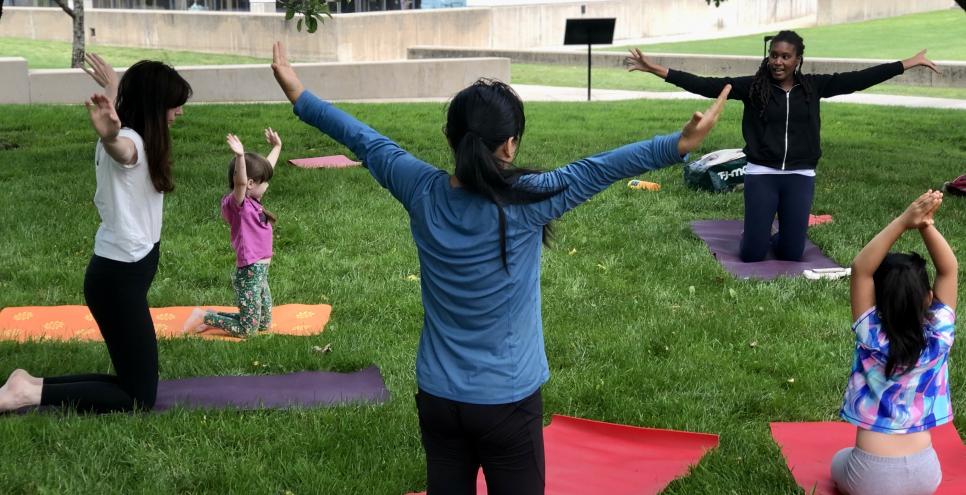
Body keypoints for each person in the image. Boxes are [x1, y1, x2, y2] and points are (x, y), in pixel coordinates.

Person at [269, 41, 729, 494]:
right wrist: (678, 144)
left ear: (451, 139)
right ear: (509, 146)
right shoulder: (527, 198)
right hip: (506, 402)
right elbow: (595, 169)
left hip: (438, 399)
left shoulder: (420, 189)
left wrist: (299, 94)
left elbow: (363, 140)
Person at [626, 31, 941, 262]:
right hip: (762, 172)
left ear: (797, 59)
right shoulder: (752, 87)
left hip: (800, 175)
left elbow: (861, 78)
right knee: (751, 254)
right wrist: (655, 69)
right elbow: (703, 83)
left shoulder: (813, 88)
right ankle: (757, 233)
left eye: (785, 56)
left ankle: (775, 232)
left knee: (792, 253)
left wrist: (909, 62)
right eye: (774, 55)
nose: (778, 61)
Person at [0, 56, 192, 413]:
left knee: (134, 384)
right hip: (119, 280)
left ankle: (28, 385)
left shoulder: (139, 134)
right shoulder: (130, 142)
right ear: (154, 105)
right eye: (173, 103)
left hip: (120, 276)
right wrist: (109, 137)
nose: (178, 112)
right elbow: (122, 149)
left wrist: (113, 87)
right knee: (138, 398)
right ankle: (25, 395)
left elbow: (123, 129)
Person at [833, 190, 956, 495]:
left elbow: (862, 268)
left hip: (869, 476)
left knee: (838, 461)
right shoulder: (939, 334)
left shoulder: (871, 332)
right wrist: (926, 224)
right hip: (926, 473)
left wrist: (904, 221)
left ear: (877, 301)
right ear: (929, 298)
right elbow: (949, 269)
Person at [182, 129, 282, 337]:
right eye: (265, 182)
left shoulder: (254, 200)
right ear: (251, 184)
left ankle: (211, 317)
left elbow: (266, 169)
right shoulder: (240, 204)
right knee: (248, 331)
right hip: (249, 274)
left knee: (262, 325)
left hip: (261, 274)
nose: (268, 184)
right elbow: (241, 183)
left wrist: (277, 147)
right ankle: (203, 316)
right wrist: (239, 157)